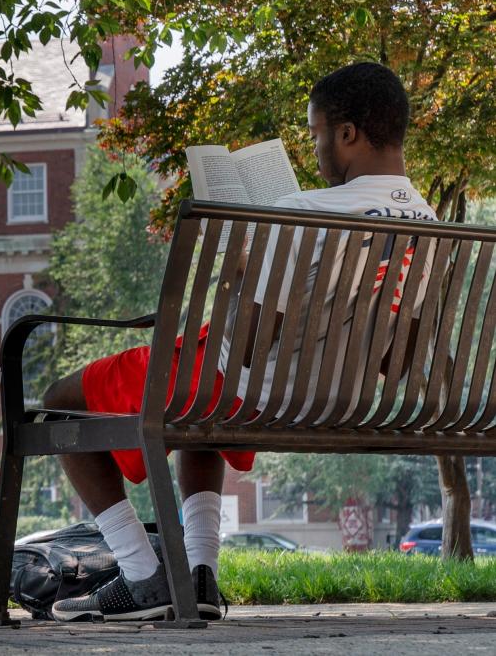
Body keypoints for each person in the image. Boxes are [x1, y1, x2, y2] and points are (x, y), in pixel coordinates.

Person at [43, 62, 436, 622]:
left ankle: (140, 574)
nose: (317, 150)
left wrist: (238, 275)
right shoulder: (428, 221)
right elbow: (398, 362)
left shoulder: (304, 213)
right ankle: (199, 574)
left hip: (252, 384)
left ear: (347, 134)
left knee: (61, 401)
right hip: (333, 399)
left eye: (316, 134)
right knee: (200, 406)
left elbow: (249, 344)